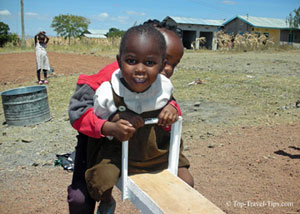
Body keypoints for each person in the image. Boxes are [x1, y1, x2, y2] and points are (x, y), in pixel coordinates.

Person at [67, 21, 192, 214]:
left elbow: (168, 103)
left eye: (173, 65)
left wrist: (172, 107)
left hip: (141, 143)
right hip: (98, 134)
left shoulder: (158, 82)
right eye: (165, 61)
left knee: (181, 181)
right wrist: (113, 118)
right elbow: (79, 114)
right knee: (81, 198)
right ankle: (104, 202)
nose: (167, 70)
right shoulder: (110, 82)